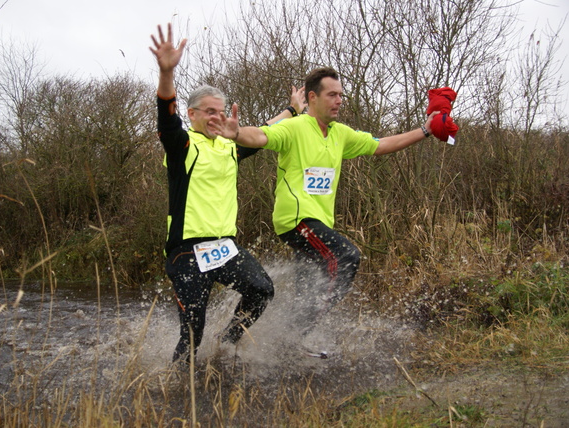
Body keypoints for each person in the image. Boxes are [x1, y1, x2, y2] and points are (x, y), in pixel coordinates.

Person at [215, 66, 439, 327]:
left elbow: (380, 145)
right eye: (332, 95)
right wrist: (238, 133)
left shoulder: (341, 134)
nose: (339, 100)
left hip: (320, 224)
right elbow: (262, 135)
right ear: (313, 98)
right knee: (346, 257)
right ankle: (299, 333)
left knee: (308, 286)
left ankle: (275, 345)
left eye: (341, 95)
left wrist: (425, 130)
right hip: (297, 221)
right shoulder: (295, 127)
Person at [149, 23, 306, 363]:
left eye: (220, 112)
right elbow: (166, 119)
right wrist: (166, 74)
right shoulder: (183, 146)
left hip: (224, 248)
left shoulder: (229, 147)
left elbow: (267, 131)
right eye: (209, 111)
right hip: (187, 252)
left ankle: (227, 343)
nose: (217, 117)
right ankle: (178, 392)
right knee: (192, 332)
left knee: (262, 290)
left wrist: (292, 111)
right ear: (192, 115)